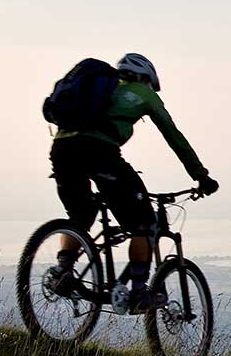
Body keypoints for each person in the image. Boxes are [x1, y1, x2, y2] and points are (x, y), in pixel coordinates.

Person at [49, 53, 219, 311]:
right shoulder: (144, 93)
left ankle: (63, 271)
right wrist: (200, 176)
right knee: (143, 223)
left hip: (62, 149)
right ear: (146, 78)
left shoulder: (101, 87)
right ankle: (139, 292)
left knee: (81, 214)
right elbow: (174, 136)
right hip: (99, 153)